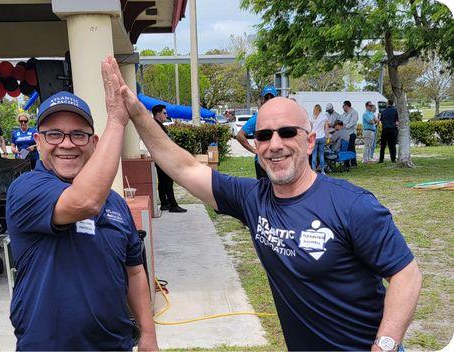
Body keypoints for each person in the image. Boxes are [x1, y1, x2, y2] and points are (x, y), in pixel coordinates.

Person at [115, 72, 422, 350]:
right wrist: (137, 112)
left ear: (310, 141)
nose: (274, 144)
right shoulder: (253, 198)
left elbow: (406, 275)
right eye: (264, 136)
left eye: (287, 132)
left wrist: (385, 346)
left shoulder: (352, 205)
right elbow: (182, 167)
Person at [5, 57, 157, 351]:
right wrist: (116, 119)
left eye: (78, 134)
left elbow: (135, 272)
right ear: (37, 141)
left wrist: (148, 336)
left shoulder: (115, 204)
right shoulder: (25, 190)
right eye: (54, 134)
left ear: (94, 143)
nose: (67, 143)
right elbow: (84, 201)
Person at [236, 85, 278, 179]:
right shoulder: (258, 117)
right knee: (264, 192)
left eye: (272, 97)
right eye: (266, 97)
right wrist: (254, 150)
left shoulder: (281, 116)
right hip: (263, 163)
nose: (269, 100)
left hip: (278, 161)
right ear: (262, 100)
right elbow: (240, 135)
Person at [152, 104, 187, 213]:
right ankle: (173, 204)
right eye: (164, 113)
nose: (166, 115)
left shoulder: (157, 125)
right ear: (158, 114)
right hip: (163, 157)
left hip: (161, 156)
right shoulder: (156, 126)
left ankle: (164, 203)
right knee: (167, 180)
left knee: (162, 181)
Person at [310, 104, 329, 173]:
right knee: (321, 154)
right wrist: (328, 137)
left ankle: (313, 171)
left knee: (314, 154)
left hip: (314, 138)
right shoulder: (324, 117)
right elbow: (326, 129)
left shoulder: (312, 117)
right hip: (322, 137)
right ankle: (323, 171)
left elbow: (310, 129)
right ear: (320, 109)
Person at [340, 100, 358, 167]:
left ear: (347, 106)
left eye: (343, 106)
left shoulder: (354, 112)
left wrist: (344, 126)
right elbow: (341, 121)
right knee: (346, 149)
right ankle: (346, 163)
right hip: (344, 134)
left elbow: (352, 123)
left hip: (351, 134)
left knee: (351, 148)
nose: (342, 107)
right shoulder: (344, 114)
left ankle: (353, 163)